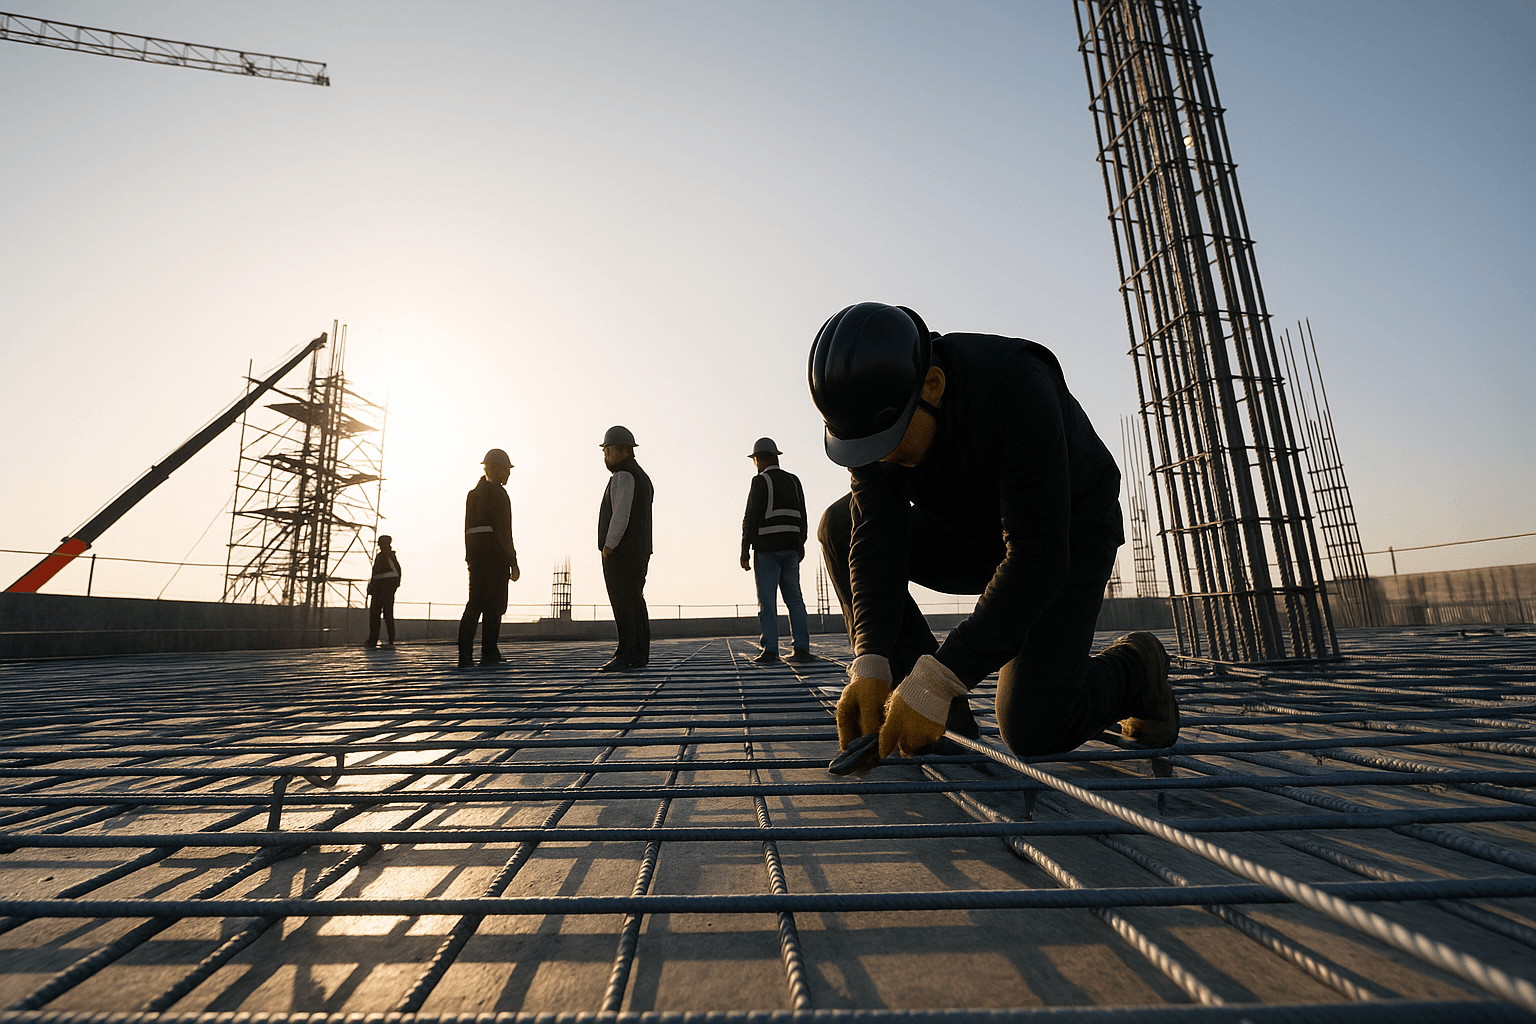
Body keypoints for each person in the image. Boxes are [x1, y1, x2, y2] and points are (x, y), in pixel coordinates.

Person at [808, 302, 1178, 773]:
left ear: (933, 387)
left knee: (1034, 726)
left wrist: (941, 678)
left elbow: (1037, 557)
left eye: (889, 446)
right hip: (971, 535)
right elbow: (874, 539)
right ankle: (945, 720)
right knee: (839, 525)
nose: (879, 461)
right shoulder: (874, 420)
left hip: (1064, 539)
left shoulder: (1017, 386)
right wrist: (872, 659)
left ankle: (1138, 668)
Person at [740, 437, 814, 664]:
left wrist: (744, 550)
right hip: (791, 550)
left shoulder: (760, 481)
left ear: (760, 458)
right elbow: (803, 516)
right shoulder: (794, 480)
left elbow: (751, 518)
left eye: (755, 459)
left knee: (767, 602)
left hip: (767, 551)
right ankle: (801, 649)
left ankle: (770, 650)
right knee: (795, 601)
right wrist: (800, 544)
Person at [458, 448, 520, 668]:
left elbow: (467, 530)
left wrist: (469, 558)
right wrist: (513, 562)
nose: (508, 475)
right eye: (506, 470)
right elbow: (504, 531)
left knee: (475, 604)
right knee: (494, 606)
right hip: (495, 558)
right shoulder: (499, 494)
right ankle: (489, 653)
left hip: (475, 557)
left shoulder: (472, 495)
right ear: (496, 469)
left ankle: (465, 656)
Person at [598, 425, 653, 672]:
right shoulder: (643, 477)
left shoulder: (623, 475)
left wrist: (609, 546)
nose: (605, 455)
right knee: (635, 601)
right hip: (640, 549)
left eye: (607, 450)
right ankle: (639, 653)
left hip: (622, 551)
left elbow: (620, 514)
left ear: (621, 450)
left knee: (623, 603)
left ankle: (625, 653)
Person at [365, 535, 401, 648]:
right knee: (382, 615)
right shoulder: (385, 556)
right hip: (381, 591)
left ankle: (380, 639)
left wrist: (378, 586)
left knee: (382, 615)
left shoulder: (386, 556)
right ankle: (380, 639)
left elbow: (394, 575)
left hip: (383, 591)